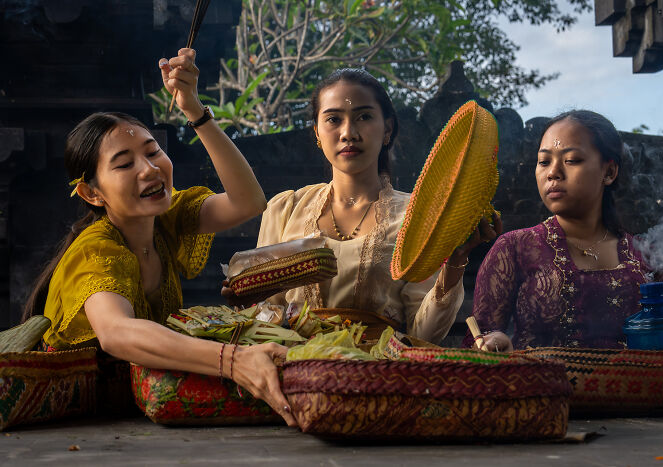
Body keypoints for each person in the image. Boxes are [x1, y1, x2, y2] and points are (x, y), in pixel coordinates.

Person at [24, 48, 296, 426]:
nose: (149, 169)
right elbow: (117, 333)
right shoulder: (96, 249)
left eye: (153, 152)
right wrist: (233, 362)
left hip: (138, 417)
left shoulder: (166, 220)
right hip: (78, 430)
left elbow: (248, 201)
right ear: (92, 193)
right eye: (124, 164)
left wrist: (195, 111)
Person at [232, 68, 500, 344]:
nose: (348, 133)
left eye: (364, 117)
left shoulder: (416, 217)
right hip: (292, 372)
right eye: (334, 119)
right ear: (317, 133)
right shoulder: (285, 209)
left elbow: (423, 334)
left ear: (388, 129)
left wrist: (454, 263)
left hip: (380, 375)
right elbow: (262, 315)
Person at [466, 110, 652, 351]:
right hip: (539, 386)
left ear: (609, 172)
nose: (552, 172)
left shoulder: (645, 255)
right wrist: (493, 343)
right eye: (544, 161)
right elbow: (477, 338)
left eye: (571, 160)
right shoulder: (514, 248)